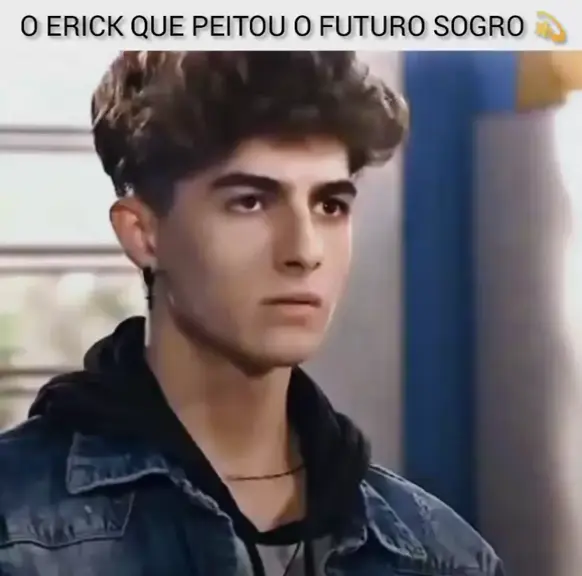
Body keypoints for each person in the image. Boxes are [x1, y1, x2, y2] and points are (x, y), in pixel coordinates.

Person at [0, 51, 504, 576]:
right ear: (144, 234)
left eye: (329, 206)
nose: (304, 251)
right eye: (250, 202)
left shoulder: (441, 556)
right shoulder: (15, 530)